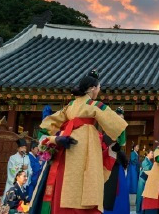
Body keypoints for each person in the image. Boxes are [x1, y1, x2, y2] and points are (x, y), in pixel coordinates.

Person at [29, 69, 128, 214]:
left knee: (63, 186)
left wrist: (53, 139)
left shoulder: (69, 106)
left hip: (66, 147)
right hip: (86, 147)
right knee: (87, 181)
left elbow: (45, 128)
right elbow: (119, 128)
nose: (99, 90)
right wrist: (121, 141)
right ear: (93, 88)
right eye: (99, 87)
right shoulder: (95, 105)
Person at [103, 107, 129, 214]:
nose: (121, 121)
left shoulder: (121, 134)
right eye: (118, 119)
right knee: (110, 191)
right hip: (107, 166)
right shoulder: (106, 133)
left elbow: (121, 145)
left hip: (118, 166)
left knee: (121, 191)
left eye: (122, 119)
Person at [136, 148, 154, 214]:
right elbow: (147, 170)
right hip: (143, 180)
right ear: (147, 154)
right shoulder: (145, 161)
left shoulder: (149, 161)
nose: (153, 154)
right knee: (141, 196)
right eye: (151, 153)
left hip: (146, 180)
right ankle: (140, 211)